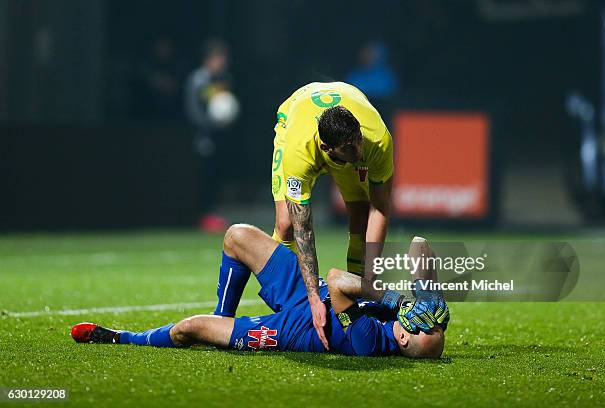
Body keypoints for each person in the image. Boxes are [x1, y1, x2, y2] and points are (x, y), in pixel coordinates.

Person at [71, 225, 448, 358]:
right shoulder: (406, 327)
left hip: (290, 327)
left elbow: (336, 280)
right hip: (307, 292)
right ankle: (224, 315)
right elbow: (419, 244)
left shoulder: (368, 341)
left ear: (401, 335)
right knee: (237, 236)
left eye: (419, 326)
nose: (420, 319)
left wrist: (396, 299)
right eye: (431, 322)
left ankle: (121, 338)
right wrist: (429, 293)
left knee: (189, 328)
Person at [271, 82, 394, 349]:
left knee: (361, 215)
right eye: (350, 148)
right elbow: (304, 229)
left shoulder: (376, 140)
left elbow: (380, 208)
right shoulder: (298, 154)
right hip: (294, 112)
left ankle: (357, 298)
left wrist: (369, 283)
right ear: (328, 149)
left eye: (358, 141)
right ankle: (290, 305)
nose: (359, 152)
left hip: (344, 98)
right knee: (286, 225)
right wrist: (314, 298)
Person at [184, 39, 235, 232]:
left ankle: (212, 214)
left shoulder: (225, 79)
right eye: (219, 57)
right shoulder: (198, 80)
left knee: (216, 174)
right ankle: (200, 215)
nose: (222, 62)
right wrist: (211, 123)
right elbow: (193, 111)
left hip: (220, 136)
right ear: (209, 59)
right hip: (201, 137)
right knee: (202, 174)